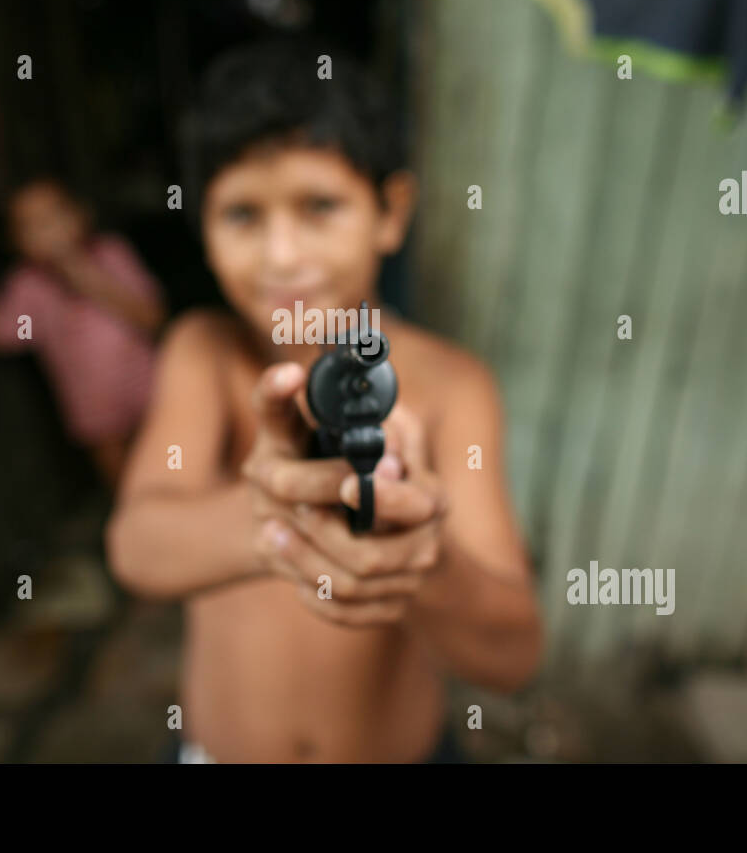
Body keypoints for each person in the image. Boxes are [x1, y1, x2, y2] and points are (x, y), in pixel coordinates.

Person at [107, 39, 543, 763]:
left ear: (391, 213)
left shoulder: (453, 388)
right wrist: (275, 510)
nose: (282, 256)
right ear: (203, 231)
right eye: (242, 215)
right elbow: (136, 549)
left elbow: (513, 654)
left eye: (319, 207)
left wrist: (422, 556)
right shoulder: (203, 353)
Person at [0, 177, 165, 489]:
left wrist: (82, 272)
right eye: (33, 225)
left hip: (152, 392)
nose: (49, 229)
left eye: (56, 215)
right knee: (126, 488)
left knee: (176, 463)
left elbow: (151, 318)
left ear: (82, 214)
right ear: (16, 242)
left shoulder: (111, 254)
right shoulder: (29, 286)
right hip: (97, 414)